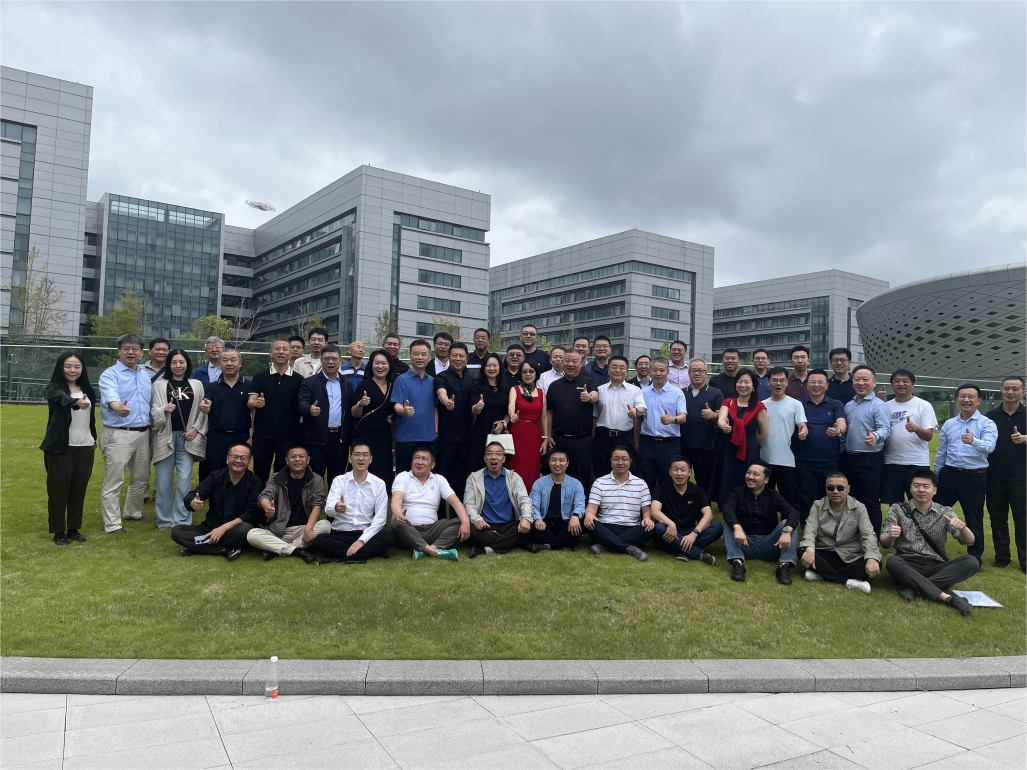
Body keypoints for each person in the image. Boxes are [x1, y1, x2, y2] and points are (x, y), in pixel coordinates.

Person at [881, 469, 980, 614]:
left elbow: (969, 541)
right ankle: (948, 598)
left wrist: (963, 528)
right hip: (907, 562)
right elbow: (885, 544)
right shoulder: (897, 509)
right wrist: (891, 536)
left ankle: (913, 586)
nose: (921, 490)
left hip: (936, 564)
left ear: (934, 491)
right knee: (892, 562)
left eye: (926, 486)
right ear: (910, 488)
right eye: (916, 485)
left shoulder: (944, 511)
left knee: (972, 562)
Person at [934, 384, 997, 567]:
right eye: (962, 396)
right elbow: (942, 452)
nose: (966, 400)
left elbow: (990, 446)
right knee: (935, 514)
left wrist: (973, 441)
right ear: (957, 399)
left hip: (974, 477)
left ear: (979, 400)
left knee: (973, 518)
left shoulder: (986, 423)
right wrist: (937, 476)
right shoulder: (949, 424)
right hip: (948, 475)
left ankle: (974, 559)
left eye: (971, 396)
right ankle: (931, 551)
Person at [98, 332, 154, 533]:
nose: (130, 352)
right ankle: (112, 524)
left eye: (135, 349)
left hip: (143, 434)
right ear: (119, 351)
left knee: (141, 477)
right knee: (114, 481)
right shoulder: (110, 374)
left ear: (141, 352)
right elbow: (111, 396)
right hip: (118, 434)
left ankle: (133, 512)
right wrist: (117, 408)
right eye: (126, 348)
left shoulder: (144, 375)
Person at [308, 439, 397, 564]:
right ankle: (370, 552)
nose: (361, 458)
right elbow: (328, 509)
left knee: (390, 537)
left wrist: (361, 541)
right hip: (340, 534)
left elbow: (380, 519)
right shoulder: (339, 481)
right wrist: (336, 507)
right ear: (350, 458)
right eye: (357, 454)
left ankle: (338, 557)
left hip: (365, 532)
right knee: (320, 540)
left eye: (365, 455)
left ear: (370, 459)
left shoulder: (379, 484)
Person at [41, 352, 96, 545]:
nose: (73, 370)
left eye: (77, 366)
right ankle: (58, 531)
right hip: (60, 447)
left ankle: (74, 529)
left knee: (79, 490)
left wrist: (94, 438)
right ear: (60, 368)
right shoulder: (53, 389)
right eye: (68, 366)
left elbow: (90, 419)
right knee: (58, 490)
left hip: (85, 446)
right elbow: (63, 399)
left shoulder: (88, 390)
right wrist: (76, 402)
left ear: (82, 369)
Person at [173, 442, 261, 561]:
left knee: (246, 530)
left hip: (234, 529)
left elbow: (252, 513)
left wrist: (223, 528)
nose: (238, 461)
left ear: (249, 461)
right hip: (211, 527)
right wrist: (192, 502)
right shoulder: (215, 477)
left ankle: (199, 545)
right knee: (177, 532)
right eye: (235, 457)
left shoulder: (255, 482)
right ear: (227, 459)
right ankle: (224, 550)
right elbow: (192, 495)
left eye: (243, 458)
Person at [150, 349, 207, 530]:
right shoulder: (160, 385)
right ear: (169, 365)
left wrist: (195, 429)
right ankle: (164, 520)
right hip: (165, 437)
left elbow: (203, 411)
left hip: (188, 437)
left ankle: (182, 519)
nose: (178, 365)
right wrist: (164, 410)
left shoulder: (197, 384)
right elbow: (154, 411)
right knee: (163, 482)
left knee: (184, 480)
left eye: (182, 362)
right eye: (174, 362)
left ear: (187, 364)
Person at [799, 472, 882, 593]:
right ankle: (849, 581)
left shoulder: (859, 507)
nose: (835, 491)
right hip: (825, 551)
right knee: (802, 551)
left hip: (850, 555)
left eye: (840, 488)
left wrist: (871, 558)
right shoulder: (817, 505)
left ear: (848, 489)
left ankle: (822, 574)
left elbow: (868, 534)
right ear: (826, 489)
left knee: (876, 563)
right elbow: (810, 529)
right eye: (830, 488)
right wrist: (810, 549)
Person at [721, 460, 800, 584]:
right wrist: (737, 527)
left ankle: (784, 566)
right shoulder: (737, 492)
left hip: (770, 544)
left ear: (766, 480)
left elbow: (793, 512)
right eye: (748, 473)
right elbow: (727, 508)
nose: (750, 477)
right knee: (730, 523)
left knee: (788, 524)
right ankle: (737, 563)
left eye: (756, 474)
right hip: (744, 543)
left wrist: (787, 530)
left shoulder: (773, 495)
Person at [248, 444, 329, 563]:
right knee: (251, 534)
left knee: (325, 525)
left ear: (308, 460)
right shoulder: (276, 478)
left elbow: (318, 503)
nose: (297, 459)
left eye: (301, 456)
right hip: (279, 531)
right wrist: (267, 506)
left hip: (303, 529)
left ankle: (276, 549)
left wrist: (308, 528)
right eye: (293, 456)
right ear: (287, 460)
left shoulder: (316, 479)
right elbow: (265, 495)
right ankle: (298, 551)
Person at [392, 446, 469, 559]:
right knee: (396, 522)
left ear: (432, 465)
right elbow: (396, 498)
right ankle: (433, 552)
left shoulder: (439, 479)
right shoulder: (403, 476)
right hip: (408, 529)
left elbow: (455, 502)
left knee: (461, 522)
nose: (419, 462)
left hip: (432, 530)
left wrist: (466, 523)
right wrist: (399, 514)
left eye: (424, 459)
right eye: (417, 458)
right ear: (412, 462)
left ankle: (429, 549)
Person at [842, 365, 892, 534]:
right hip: (848, 459)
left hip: (869, 460)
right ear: (852, 382)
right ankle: (854, 536)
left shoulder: (879, 405)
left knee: (870, 501)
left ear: (874, 383)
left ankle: (873, 539)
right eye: (857, 379)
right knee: (851, 500)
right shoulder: (849, 405)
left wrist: (875, 436)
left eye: (865, 379)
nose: (861, 383)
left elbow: (885, 428)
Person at [585, 446, 657, 561]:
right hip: (606, 526)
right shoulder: (600, 482)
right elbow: (591, 508)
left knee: (650, 529)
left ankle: (606, 544)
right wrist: (589, 514)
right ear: (610, 460)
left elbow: (647, 510)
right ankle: (630, 548)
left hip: (631, 527)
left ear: (630, 461)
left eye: (624, 459)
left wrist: (647, 518)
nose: (620, 462)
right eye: (616, 459)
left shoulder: (641, 484)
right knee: (590, 523)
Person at [986, 375, 1027, 573]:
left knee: (1023, 520)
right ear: (1001, 391)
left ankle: (1025, 561)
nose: (1010, 392)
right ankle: (1002, 557)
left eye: (1015, 389)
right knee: (997, 518)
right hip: (993, 476)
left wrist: (1025, 438)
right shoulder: (990, 416)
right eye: (1006, 388)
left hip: (1021, 477)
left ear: (1023, 392)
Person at [248, 339, 304, 483]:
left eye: (285, 349)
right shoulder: (260, 376)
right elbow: (251, 402)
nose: (281, 352)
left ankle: (280, 498)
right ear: (271, 353)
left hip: (289, 436)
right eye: (277, 349)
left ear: (290, 353)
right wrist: (256, 403)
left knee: (284, 475)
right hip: (263, 435)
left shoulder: (299, 379)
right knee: (260, 474)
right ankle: (260, 498)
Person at [464, 442, 533, 556]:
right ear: (485, 458)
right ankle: (513, 541)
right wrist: (476, 520)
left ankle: (486, 549)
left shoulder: (514, 477)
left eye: (498, 454)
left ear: (504, 459)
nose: (494, 457)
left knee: (529, 525)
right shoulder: (473, 478)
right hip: (485, 526)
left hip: (509, 525)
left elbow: (524, 500)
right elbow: (469, 504)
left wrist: (525, 519)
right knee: (469, 529)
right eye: (490, 453)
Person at [795, 369, 847, 520]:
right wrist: (801, 432)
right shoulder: (799, 404)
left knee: (830, 497)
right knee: (806, 498)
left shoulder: (835, 404)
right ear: (807, 384)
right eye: (813, 382)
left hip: (830, 461)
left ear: (827, 385)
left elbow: (842, 423)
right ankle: (807, 528)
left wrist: (838, 431)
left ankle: (827, 528)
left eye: (820, 382)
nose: (816, 385)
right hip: (805, 461)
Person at [650, 456, 722, 565]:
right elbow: (654, 511)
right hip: (668, 530)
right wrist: (671, 524)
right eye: (675, 469)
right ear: (670, 472)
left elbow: (708, 515)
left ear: (689, 472)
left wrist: (694, 533)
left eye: (683, 470)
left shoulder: (698, 491)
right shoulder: (662, 488)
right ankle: (697, 553)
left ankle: (676, 548)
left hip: (690, 531)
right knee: (659, 527)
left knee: (717, 527)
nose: (679, 473)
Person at [711, 369, 768, 505]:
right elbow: (721, 419)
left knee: (749, 475)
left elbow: (763, 433)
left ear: (753, 386)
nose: (743, 385)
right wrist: (723, 426)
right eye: (740, 381)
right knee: (727, 474)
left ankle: (747, 504)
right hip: (728, 446)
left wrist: (749, 442)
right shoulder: (728, 402)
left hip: (749, 449)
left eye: (747, 382)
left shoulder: (759, 407)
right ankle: (725, 503)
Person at [546, 350, 599, 493]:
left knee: (582, 476)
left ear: (581, 363)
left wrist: (590, 398)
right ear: (562, 363)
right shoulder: (554, 385)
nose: (570, 364)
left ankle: (581, 507)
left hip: (582, 440)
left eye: (574, 361)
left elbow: (595, 395)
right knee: (558, 476)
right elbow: (549, 412)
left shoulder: (589, 382)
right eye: (567, 361)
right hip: (559, 439)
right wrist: (548, 435)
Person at [881, 369, 937, 506]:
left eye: (905, 381)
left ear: (913, 384)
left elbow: (928, 436)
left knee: (919, 503)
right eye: (897, 381)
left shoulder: (923, 405)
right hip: (891, 463)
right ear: (892, 384)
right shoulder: (885, 406)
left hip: (916, 463)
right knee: (894, 505)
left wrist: (916, 428)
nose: (901, 384)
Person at [299, 344, 353, 485]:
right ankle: (314, 500)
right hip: (318, 438)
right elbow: (301, 404)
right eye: (327, 358)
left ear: (340, 361)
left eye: (334, 359)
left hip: (340, 439)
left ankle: (335, 500)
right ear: (321, 361)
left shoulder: (346, 384)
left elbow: (349, 411)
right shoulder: (309, 382)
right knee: (314, 478)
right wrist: (309, 409)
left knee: (338, 479)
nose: (330, 362)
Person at [760, 367, 808, 507]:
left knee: (788, 500)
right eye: (774, 380)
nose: (778, 383)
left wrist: (803, 432)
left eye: (782, 380)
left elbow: (802, 425)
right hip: (764, 459)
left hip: (786, 460)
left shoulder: (795, 404)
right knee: (765, 500)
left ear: (787, 382)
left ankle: (788, 521)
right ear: (768, 382)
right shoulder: (762, 405)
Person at [197, 349, 251, 475]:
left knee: (239, 471)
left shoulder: (249, 385)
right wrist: (204, 406)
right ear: (219, 364)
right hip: (217, 437)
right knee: (216, 473)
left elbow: (255, 413)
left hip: (241, 436)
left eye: (233, 360)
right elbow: (206, 401)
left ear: (240, 363)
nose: (229, 363)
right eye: (225, 360)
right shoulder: (212, 386)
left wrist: (252, 437)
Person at [637, 358, 687, 493]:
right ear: (650, 371)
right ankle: (647, 506)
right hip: (647, 442)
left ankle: (667, 505)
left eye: (662, 370)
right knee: (646, 480)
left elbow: (683, 417)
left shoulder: (677, 392)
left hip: (669, 444)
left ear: (668, 372)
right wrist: (636, 441)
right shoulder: (643, 393)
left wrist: (673, 419)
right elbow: (639, 419)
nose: (658, 373)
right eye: (655, 370)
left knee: (668, 480)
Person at [592, 355, 645, 480]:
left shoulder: (635, 390)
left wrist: (635, 411)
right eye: (614, 367)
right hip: (603, 437)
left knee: (624, 471)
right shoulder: (600, 390)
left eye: (622, 368)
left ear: (627, 371)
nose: (618, 370)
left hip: (624, 437)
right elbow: (595, 417)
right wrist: (593, 438)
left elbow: (642, 408)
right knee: (601, 472)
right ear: (608, 370)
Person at [435, 342, 474, 508]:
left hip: (466, 437)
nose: (458, 359)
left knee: (461, 477)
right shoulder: (441, 377)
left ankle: (457, 514)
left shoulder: (471, 380)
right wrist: (446, 402)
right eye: (455, 356)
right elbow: (441, 392)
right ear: (449, 358)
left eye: (461, 356)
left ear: (467, 359)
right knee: (443, 476)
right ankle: (440, 515)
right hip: (446, 436)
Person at [351, 350, 395, 490]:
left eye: (384, 363)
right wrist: (360, 404)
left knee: (382, 464)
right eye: (377, 363)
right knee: (365, 462)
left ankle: (382, 494)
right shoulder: (364, 385)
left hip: (385, 432)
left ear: (389, 366)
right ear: (371, 365)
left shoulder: (392, 386)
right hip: (366, 431)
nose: (380, 366)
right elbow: (354, 413)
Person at [391, 338, 436, 474]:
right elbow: (397, 405)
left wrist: (436, 433)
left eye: (424, 354)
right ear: (410, 356)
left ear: (429, 357)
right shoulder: (401, 380)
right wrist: (403, 411)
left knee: (427, 478)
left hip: (428, 438)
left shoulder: (433, 381)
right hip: (406, 438)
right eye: (416, 354)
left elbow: (435, 408)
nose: (420, 357)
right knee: (404, 477)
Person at [528, 448, 585, 552]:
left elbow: (580, 504)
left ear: (567, 463)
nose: (557, 464)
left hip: (567, 522)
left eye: (561, 460)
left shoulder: (576, 484)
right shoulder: (539, 483)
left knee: (583, 522)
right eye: (554, 460)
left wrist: (575, 516)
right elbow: (533, 505)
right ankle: (568, 541)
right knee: (529, 525)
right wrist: (538, 519)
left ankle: (548, 545)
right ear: (549, 462)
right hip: (545, 523)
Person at [679, 358, 723, 491]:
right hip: (683, 444)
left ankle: (703, 503)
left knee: (704, 482)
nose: (696, 373)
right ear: (688, 373)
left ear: (706, 373)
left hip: (706, 445)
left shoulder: (716, 393)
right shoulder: (680, 393)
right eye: (693, 370)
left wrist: (713, 415)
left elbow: (722, 417)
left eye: (700, 370)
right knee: (680, 479)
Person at [507, 360, 547, 492]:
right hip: (518, 433)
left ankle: (532, 499)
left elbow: (544, 417)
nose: (528, 374)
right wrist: (512, 415)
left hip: (535, 434)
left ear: (536, 373)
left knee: (533, 468)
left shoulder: (541, 393)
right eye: (524, 372)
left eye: (531, 371)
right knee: (516, 467)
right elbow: (511, 406)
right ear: (520, 374)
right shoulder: (515, 389)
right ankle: (514, 497)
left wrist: (546, 439)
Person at [468, 352, 510, 467]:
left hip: (500, 433)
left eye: (495, 365)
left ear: (500, 367)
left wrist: (503, 423)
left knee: (499, 466)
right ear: (484, 367)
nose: (492, 368)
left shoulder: (506, 389)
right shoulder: (477, 387)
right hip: (481, 433)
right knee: (478, 465)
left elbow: (509, 412)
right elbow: (474, 410)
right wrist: (477, 407)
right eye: (488, 365)